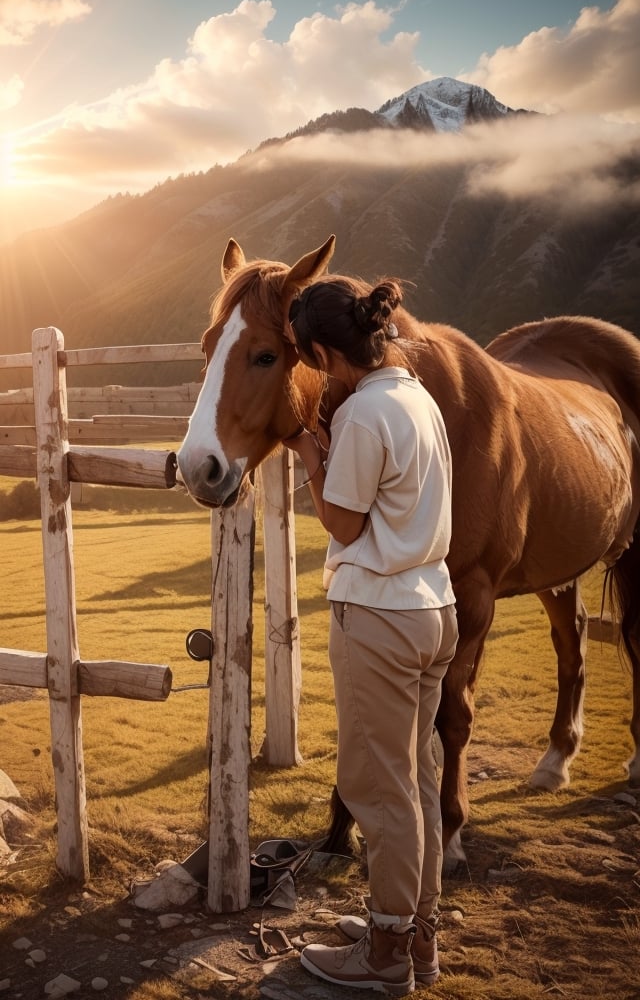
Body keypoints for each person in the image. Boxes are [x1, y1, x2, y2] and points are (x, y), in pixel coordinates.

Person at [283, 274, 458, 996]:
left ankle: (385, 956)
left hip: (379, 615)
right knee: (416, 779)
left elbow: (344, 523)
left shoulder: (360, 416)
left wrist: (309, 455)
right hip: (432, 608)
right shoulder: (418, 397)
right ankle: (415, 933)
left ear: (325, 352)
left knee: (377, 789)